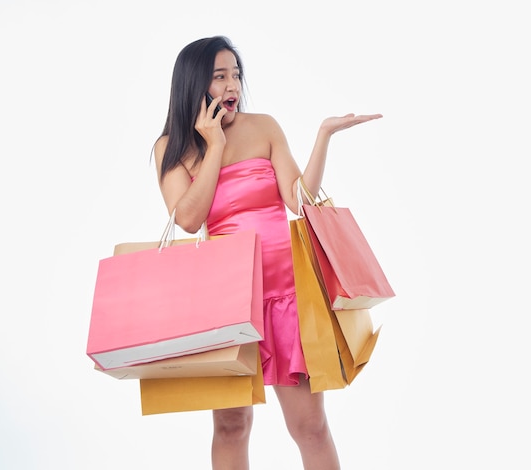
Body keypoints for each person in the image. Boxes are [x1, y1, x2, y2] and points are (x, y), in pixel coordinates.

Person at [153, 35, 382, 470]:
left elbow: (300, 201)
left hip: (286, 297)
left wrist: (324, 135)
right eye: (219, 76)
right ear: (194, 83)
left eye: (235, 74)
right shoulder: (172, 146)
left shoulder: (265, 127)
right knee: (232, 427)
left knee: (310, 427)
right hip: (228, 305)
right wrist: (215, 145)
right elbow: (186, 218)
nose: (232, 84)